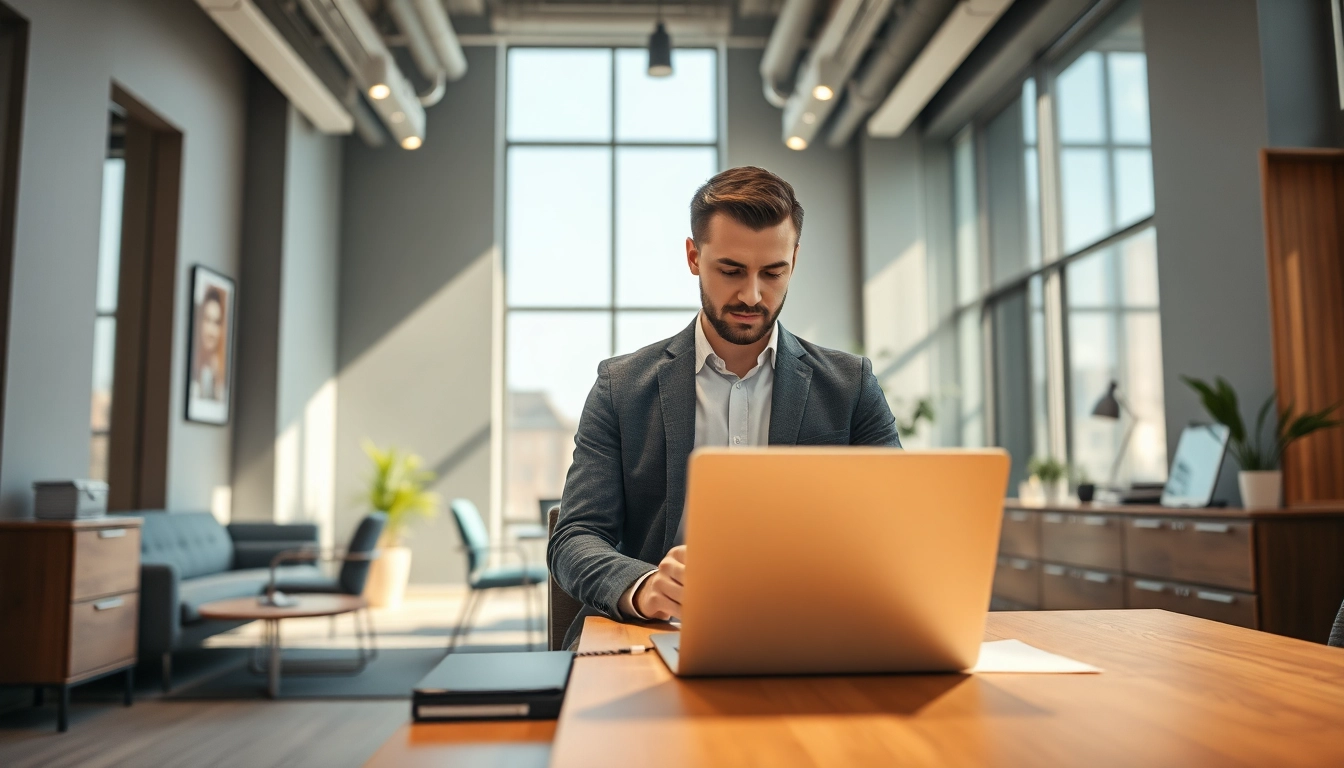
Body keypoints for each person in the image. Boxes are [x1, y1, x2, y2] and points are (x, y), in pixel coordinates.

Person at [547, 166, 902, 650]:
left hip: (809, 636)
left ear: (794, 260)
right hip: (653, 638)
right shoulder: (621, 387)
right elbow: (575, 537)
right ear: (694, 257)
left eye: (773, 272)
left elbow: (898, 531)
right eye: (731, 270)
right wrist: (645, 585)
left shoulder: (850, 386)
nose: (752, 295)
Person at [191, 285, 228, 403]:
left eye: (216, 322)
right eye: (208, 320)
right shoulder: (194, 373)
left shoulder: (221, 380)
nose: (211, 331)